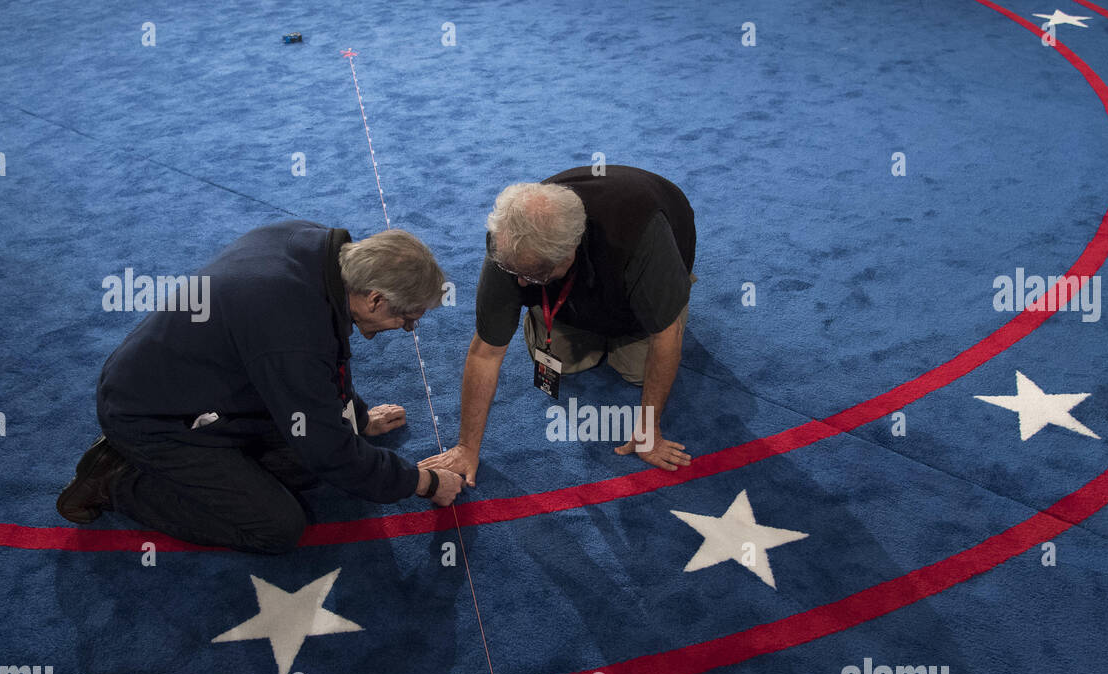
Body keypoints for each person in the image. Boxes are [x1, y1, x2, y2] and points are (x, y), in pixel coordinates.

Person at [57, 220, 464, 554]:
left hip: (182, 382)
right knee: (277, 526)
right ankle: (117, 481)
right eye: (408, 319)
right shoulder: (292, 332)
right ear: (375, 300)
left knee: (314, 455)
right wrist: (421, 482)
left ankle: (203, 467)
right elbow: (330, 451)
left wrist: (356, 416)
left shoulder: (314, 248)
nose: (407, 329)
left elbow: (328, 359)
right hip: (149, 417)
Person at [419, 165, 697, 486]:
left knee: (637, 371)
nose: (521, 282)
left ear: (569, 254)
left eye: (533, 276)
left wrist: (649, 429)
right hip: (571, 288)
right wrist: (466, 447)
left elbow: (667, 336)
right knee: (561, 362)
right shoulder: (509, 245)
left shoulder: (640, 235)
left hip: (638, 266)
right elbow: (485, 353)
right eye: (515, 273)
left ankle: (669, 294)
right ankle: (556, 310)